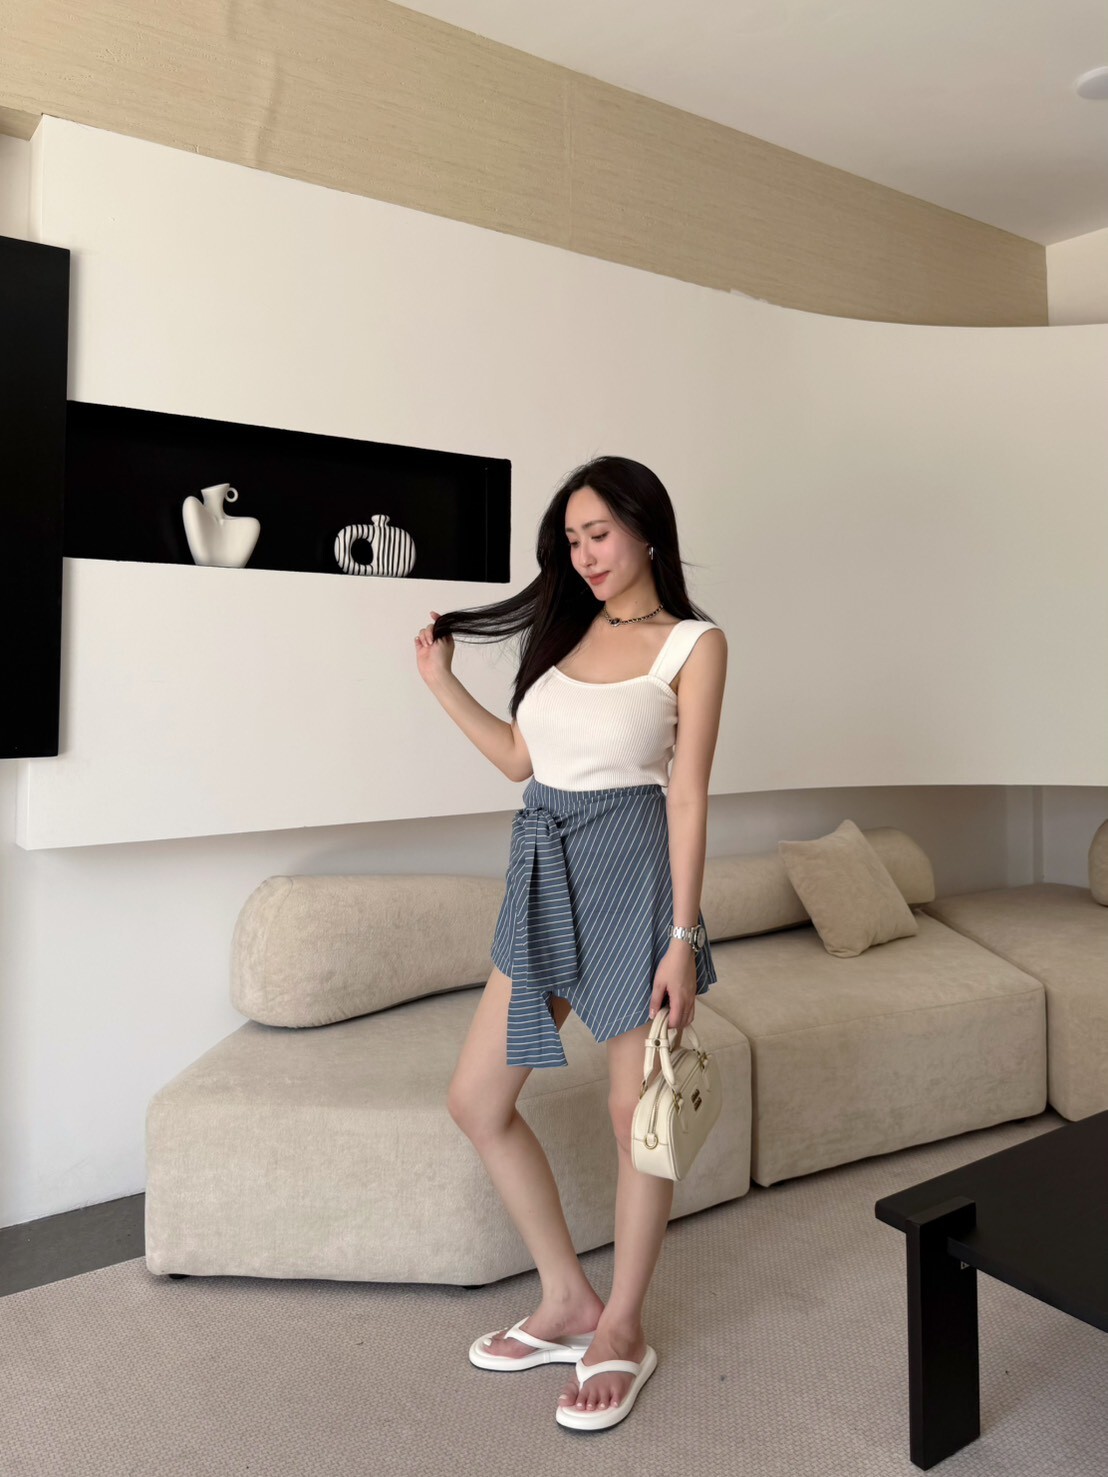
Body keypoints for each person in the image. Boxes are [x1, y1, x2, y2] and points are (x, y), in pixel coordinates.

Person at [414, 455, 727, 1431]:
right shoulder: (562, 632)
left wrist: (681, 938)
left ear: (646, 530)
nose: (584, 554)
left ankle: (622, 1325)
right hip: (546, 872)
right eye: (571, 539)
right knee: (477, 1099)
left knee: (635, 1111)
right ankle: (567, 1299)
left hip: (634, 877)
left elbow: (686, 795)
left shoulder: (693, 644)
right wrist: (440, 682)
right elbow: (521, 758)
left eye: (599, 533)